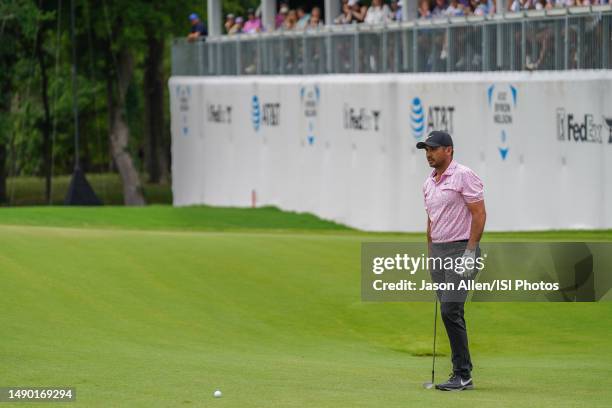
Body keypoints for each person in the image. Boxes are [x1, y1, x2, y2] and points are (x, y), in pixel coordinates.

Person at [416, 131, 486, 392]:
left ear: (449, 150)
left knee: (449, 310)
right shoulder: (428, 183)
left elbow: (479, 214)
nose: (428, 154)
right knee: (452, 313)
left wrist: (470, 251)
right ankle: (462, 373)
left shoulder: (464, 175)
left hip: (461, 252)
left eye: (433, 149)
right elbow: (431, 221)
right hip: (439, 253)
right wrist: (430, 252)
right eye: (426, 150)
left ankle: (462, 374)